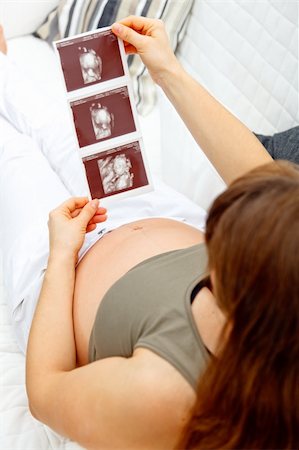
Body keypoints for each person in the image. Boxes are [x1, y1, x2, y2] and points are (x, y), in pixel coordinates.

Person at [0, 18, 298, 450]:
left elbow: (45, 394)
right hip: (141, 204)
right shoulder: (280, 281)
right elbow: (267, 182)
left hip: (60, 274)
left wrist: (62, 257)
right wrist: (167, 70)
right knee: (59, 123)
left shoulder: (169, 397)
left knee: (12, 158)